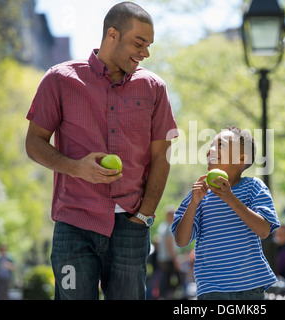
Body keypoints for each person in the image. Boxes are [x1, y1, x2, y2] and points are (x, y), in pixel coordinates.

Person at [24, 2, 178, 300]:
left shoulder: (154, 88)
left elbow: (162, 157)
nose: (145, 52)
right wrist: (76, 167)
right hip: (74, 223)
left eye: (149, 45)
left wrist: (145, 216)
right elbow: (34, 143)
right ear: (112, 34)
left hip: (131, 226)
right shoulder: (60, 79)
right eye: (139, 42)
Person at [172, 126, 280, 300]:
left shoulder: (254, 187)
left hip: (250, 286)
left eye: (219, 145)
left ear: (241, 158)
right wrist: (193, 203)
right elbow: (181, 240)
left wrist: (230, 198)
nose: (209, 151)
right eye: (210, 146)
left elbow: (264, 230)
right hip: (212, 288)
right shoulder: (199, 194)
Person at [156, 207, 183, 299]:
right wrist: (175, 259)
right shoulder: (169, 228)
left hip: (162, 257)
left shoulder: (162, 226)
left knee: (165, 277)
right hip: (169, 258)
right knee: (177, 277)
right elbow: (170, 245)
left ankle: (164, 295)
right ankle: (170, 295)